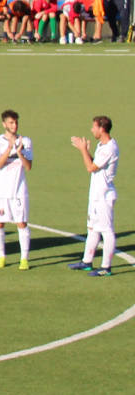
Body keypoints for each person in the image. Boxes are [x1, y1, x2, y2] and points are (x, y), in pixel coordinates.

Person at [69, 116, 118, 277]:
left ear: (101, 128)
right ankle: (87, 261)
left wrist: (83, 149)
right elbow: (95, 165)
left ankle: (106, 267)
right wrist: (86, 151)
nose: (92, 130)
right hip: (96, 196)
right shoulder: (101, 145)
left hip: (104, 196)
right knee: (92, 229)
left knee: (106, 231)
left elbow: (90, 167)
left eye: (94, 127)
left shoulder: (109, 148)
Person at [0, 109, 33, 271]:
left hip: (19, 191)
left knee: (21, 223)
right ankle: (1, 257)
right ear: (4, 124)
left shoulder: (25, 141)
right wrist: (9, 149)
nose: (14, 125)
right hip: (1, 191)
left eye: (16, 122)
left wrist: (20, 152)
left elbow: (28, 167)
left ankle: (24, 259)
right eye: (11, 123)